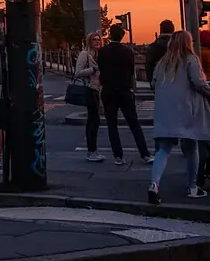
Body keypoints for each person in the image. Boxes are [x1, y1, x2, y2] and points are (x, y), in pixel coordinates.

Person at [147, 31, 210, 204]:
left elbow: (153, 84)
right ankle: (192, 187)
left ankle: (154, 185)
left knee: (163, 150)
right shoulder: (190, 60)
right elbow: (199, 83)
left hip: (166, 112)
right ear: (188, 43)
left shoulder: (162, 63)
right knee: (191, 147)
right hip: (187, 109)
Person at [98, 24, 153, 165]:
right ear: (122, 36)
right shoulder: (127, 52)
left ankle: (118, 156)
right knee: (134, 123)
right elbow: (131, 71)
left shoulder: (103, 51)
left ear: (110, 35)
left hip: (108, 90)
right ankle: (145, 154)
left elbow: (101, 69)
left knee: (112, 124)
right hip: (124, 90)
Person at [74, 33, 104, 163]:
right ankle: (91, 151)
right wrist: (93, 69)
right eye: (94, 40)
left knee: (94, 120)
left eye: (99, 40)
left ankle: (93, 150)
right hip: (89, 89)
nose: (97, 42)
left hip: (98, 90)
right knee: (94, 120)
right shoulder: (84, 54)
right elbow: (78, 73)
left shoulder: (100, 56)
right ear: (89, 41)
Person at [145, 20, 175, 89]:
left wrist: (152, 83)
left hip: (159, 83)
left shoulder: (153, 47)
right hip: (177, 83)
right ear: (173, 30)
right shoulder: (179, 46)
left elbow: (149, 65)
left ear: (161, 30)